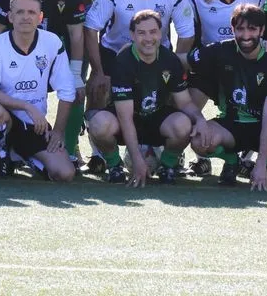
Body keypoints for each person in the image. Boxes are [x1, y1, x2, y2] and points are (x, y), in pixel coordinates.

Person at [186, 4, 267, 190]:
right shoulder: (220, 50)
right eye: (240, 29)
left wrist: (261, 164)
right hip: (231, 124)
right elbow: (182, 61)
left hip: (264, 124)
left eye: (252, 29)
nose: (246, 36)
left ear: (262, 30)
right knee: (199, 140)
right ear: (232, 29)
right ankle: (231, 160)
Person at [0, 0, 87, 167]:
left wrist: (76, 73)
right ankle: (1, 151)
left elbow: (77, 35)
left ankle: (67, 146)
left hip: (55, 58)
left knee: (75, 90)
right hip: (18, 55)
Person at [86, 10, 210, 185]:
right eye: (141, 33)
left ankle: (167, 166)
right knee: (99, 124)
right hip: (128, 120)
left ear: (161, 33)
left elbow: (185, 102)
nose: (148, 38)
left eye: (153, 32)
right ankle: (114, 166)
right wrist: (137, 161)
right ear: (132, 35)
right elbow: (125, 117)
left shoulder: (170, 60)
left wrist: (200, 119)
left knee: (183, 123)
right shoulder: (123, 61)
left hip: (157, 118)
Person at [84, 0, 196, 111]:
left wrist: (175, 66)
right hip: (114, 51)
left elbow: (186, 33)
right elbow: (91, 28)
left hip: (156, 53)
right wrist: (98, 71)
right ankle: (96, 133)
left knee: (168, 105)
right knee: (97, 94)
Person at [0, 0, 77, 182]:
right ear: (10, 16)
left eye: (32, 12)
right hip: (5, 120)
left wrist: (57, 131)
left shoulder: (52, 42)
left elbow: (66, 91)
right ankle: (0, 153)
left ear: (40, 17)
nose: (26, 17)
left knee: (64, 173)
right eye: (20, 12)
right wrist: (26, 106)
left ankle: (21, 154)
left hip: (35, 125)